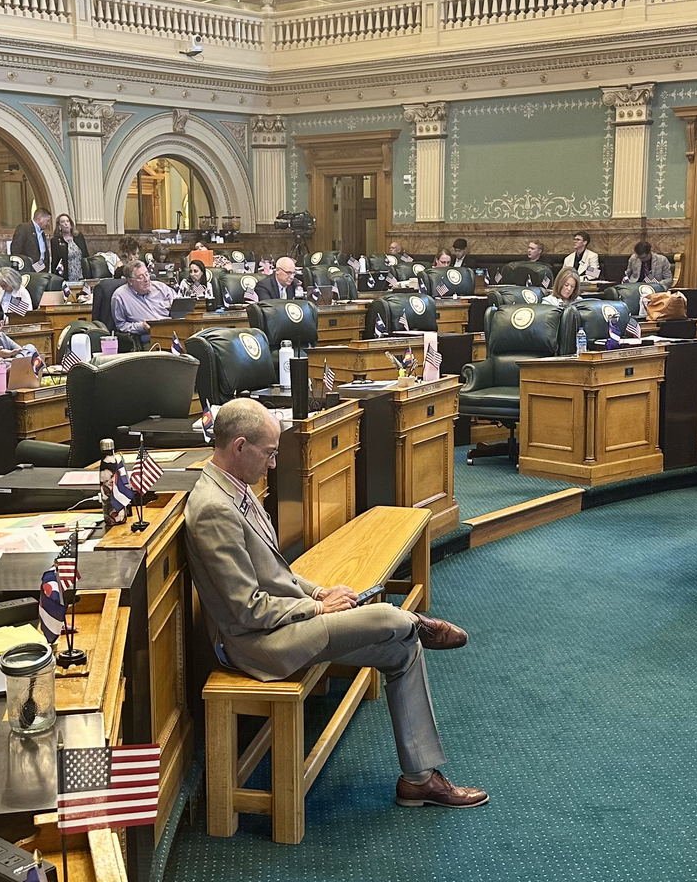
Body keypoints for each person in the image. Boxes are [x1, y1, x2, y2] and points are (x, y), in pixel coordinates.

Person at [183, 397, 485, 809]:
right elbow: (248, 610)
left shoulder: (235, 486)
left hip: (284, 623)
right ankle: (413, 620)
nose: (273, 464)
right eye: (269, 454)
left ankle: (419, 779)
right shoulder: (213, 509)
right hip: (257, 644)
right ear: (239, 446)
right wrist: (318, 609)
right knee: (386, 617)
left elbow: (277, 572)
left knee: (403, 650)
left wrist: (318, 592)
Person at [111, 260, 177, 345]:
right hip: (151, 338)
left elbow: (182, 303)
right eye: (141, 277)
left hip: (174, 330)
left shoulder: (161, 287)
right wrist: (141, 327)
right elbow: (121, 326)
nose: (146, 279)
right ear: (130, 281)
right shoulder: (120, 297)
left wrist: (175, 306)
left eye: (147, 274)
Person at [48, 212, 88, 281]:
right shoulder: (55, 241)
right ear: (59, 226)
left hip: (81, 275)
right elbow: (55, 262)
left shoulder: (79, 237)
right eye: (63, 222)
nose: (66, 223)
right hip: (66, 276)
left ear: (71, 224)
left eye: (67, 221)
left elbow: (86, 255)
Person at [12, 206, 51, 272]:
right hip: (26, 270)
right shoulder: (24, 228)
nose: (48, 224)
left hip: (39, 270)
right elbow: (16, 249)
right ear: (40, 218)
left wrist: (42, 269)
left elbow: (42, 255)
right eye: (47, 220)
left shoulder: (42, 233)